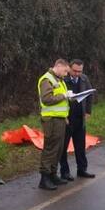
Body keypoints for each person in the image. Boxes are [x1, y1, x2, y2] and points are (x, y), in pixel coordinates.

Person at [37, 59, 74, 191]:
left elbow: (60, 103)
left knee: (58, 149)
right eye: (65, 71)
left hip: (60, 119)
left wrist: (65, 117)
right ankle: (45, 178)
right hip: (51, 120)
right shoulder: (47, 80)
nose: (65, 74)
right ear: (58, 66)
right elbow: (46, 99)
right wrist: (64, 96)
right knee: (50, 149)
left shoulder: (59, 79)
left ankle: (53, 174)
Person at [59, 59, 96, 180]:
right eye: (75, 71)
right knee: (63, 147)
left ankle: (82, 169)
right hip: (67, 118)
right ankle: (65, 172)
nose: (77, 74)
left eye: (79, 71)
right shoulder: (62, 79)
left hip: (80, 117)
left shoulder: (84, 78)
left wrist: (88, 111)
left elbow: (90, 95)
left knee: (80, 145)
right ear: (69, 68)